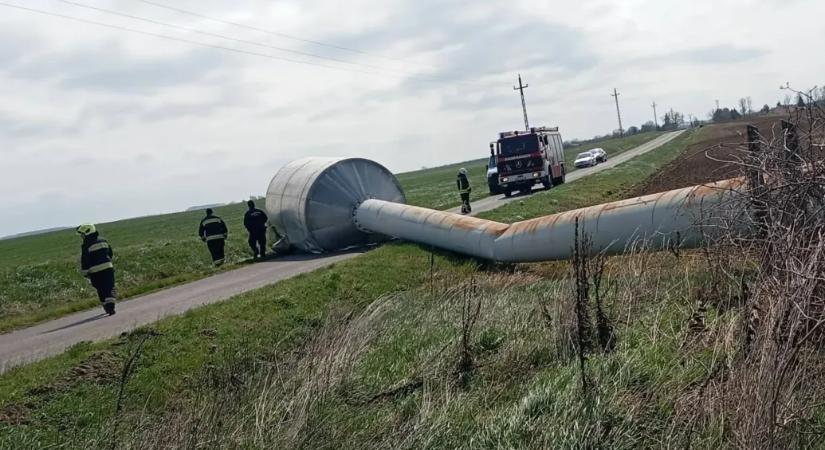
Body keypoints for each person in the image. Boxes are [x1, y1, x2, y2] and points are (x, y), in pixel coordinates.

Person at [76, 224, 116, 315]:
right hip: (108, 269)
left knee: (100, 289)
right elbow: (110, 253)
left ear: (87, 233)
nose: (81, 237)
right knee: (109, 287)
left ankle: (107, 306)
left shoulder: (86, 245)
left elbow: (85, 259)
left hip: (95, 273)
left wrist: (85, 272)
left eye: (82, 234)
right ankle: (110, 306)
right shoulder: (104, 241)